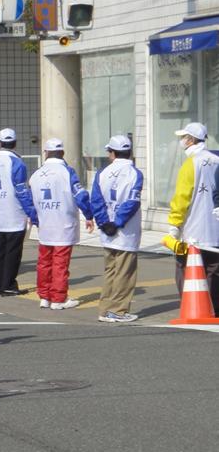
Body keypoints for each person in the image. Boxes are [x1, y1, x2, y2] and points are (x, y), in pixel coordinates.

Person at [30, 138, 94, 310]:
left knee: (44, 262)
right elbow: (80, 195)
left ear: (46, 153)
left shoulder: (36, 174)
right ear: (63, 153)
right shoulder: (67, 172)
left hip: (45, 225)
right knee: (60, 263)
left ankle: (44, 297)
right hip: (63, 224)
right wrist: (89, 214)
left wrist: (35, 220)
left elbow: (30, 201)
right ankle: (58, 299)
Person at [167, 122, 219, 313]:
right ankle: (214, 308)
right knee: (214, 270)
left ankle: (193, 307)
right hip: (215, 230)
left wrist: (174, 223)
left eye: (184, 137)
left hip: (192, 230)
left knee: (185, 268)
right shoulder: (216, 159)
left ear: (191, 140)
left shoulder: (191, 163)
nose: (182, 141)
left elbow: (182, 197)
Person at [91, 135, 143, 323]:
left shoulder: (102, 173)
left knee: (110, 271)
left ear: (112, 153)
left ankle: (105, 310)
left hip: (107, 232)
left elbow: (96, 200)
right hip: (126, 232)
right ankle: (119, 311)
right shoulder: (135, 173)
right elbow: (132, 202)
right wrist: (118, 222)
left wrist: (104, 223)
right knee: (125, 273)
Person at [0, 128, 38, 297]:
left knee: (1, 249)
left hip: (0, 211)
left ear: (0, 143)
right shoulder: (17, 163)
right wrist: (32, 212)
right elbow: (22, 191)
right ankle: (9, 284)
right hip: (14, 211)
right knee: (13, 252)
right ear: (15, 143)